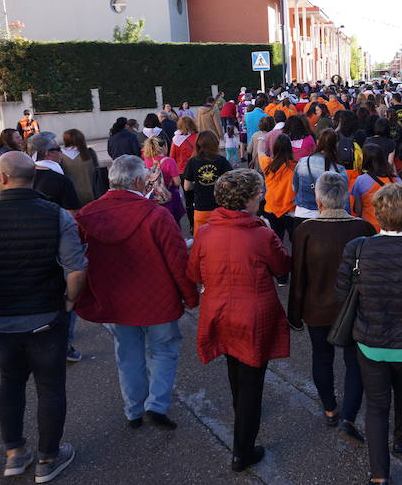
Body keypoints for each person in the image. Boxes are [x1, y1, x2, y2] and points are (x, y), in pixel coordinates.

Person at [0, 151, 84, 482]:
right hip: (47, 316)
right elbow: (76, 270)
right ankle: (48, 459)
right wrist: (69, 301)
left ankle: (15, 454)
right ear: (32, 178)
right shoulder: (56, 216)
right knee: (50, 386)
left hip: (0, 320)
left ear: (2, 178)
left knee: (10, 381)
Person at [75, 155, 198, 429]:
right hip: (158, 298)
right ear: (141, 181)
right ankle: (156, 404)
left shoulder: (87, 216)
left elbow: (75, 260)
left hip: (114, 298)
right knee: (164, 350)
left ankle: (133, 410)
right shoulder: (156, 214)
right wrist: (190, 295)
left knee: (127, 354)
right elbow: (177, 260)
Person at [337, 182, 402, 485]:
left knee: (376, 404)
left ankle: (379, 474)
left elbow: (341, 293)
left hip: (370, 341)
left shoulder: (359, 248)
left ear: (377, 215)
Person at [188, 169, 291, 473]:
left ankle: (241, 427)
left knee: (235, 372)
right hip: (253, 315)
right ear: (246, 200)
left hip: (219, 310)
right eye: (258, 194)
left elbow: (193, 272)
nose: (262, 198)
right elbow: (282, 265)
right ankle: (242, 450)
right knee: (251, 384)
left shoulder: (206, 232)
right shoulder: (261, 232)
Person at [288, 171, 375, 442]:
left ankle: (330, 408)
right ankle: (348, 415)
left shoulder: (305, 230)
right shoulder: (363, 229)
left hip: (317, 308)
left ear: (319, 199)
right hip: (354, 309)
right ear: (344, 197)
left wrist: (295, 313)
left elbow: (298, 275)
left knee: (321, 357)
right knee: (354, 363)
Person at [293, 129, 348, 222]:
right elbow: (343, 197)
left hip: (302, 213)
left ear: (318, 142)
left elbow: (294, 188)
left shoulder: (303, 162)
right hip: (328, 217)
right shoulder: (339, 169)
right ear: (336, 145)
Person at [183, 130, 232, 233]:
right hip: (220, 208)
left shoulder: (193, 161)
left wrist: (197, 184)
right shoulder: (222, 160)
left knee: (201, 240)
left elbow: (187, 187)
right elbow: (231, 182)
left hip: (201, 208)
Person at [258, 133, 297, 244]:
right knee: (295, 243)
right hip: (291, 211)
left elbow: (260, 152)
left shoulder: (268, 164)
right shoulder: (296, 167)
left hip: (272, 209)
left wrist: (262, 137)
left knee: (275, 244)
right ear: (290, 149)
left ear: (274, 149)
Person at [352, 144, 400, 232]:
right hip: (392, 226)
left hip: (370, 226)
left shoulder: (361, 180)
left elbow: (358, 209)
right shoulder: (395, 179)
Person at [28, 132, 81, 213]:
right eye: (58, 149)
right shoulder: (61, 181)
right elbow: (73, 215)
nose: (61, 152)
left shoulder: (23, 176)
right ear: (48, 153)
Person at [143, 135, 186, 224]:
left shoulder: (147, 159)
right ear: (163, 147)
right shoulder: (169, 161)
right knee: (174, 223)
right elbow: (177, 182)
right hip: (169, 195)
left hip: (154, 196)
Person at [170, 116, 199, 229]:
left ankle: (192, 224)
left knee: (188, 199)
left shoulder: (176, 140)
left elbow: (172, 157)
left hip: (182, 172)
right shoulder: (197, 137)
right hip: (197, 169)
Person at [59, 129, 98, 207]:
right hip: (91, 195)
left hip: (71, 197)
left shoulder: (60, 156)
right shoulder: (90, 153)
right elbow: (96, 173)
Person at [0, 128, 23, 198]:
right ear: (9, 140)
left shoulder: (16, 150)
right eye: (17, 137)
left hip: (17, 190)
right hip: (4, 192)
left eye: (20, 136)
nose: (21, 139)